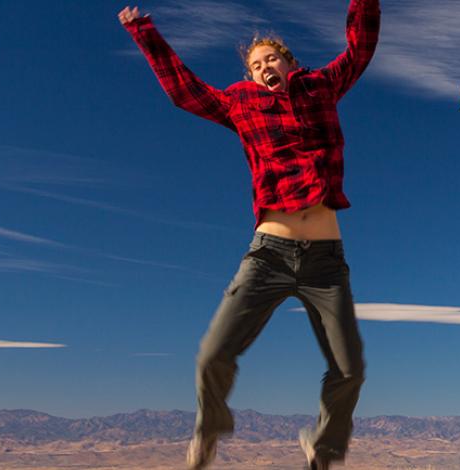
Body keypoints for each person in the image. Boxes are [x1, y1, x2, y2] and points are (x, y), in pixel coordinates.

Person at [119, 2, 379, 468]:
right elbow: (185, 91)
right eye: (255, 65)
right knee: (212, 356)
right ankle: (211, 425)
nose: (263, 69)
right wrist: (145, 34)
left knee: (350, 371)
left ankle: (323, 446)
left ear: (289, 63)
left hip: (325, 260)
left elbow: (359, 49)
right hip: (269, 254)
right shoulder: (241, 103)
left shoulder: (321, 87)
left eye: (270, 60)